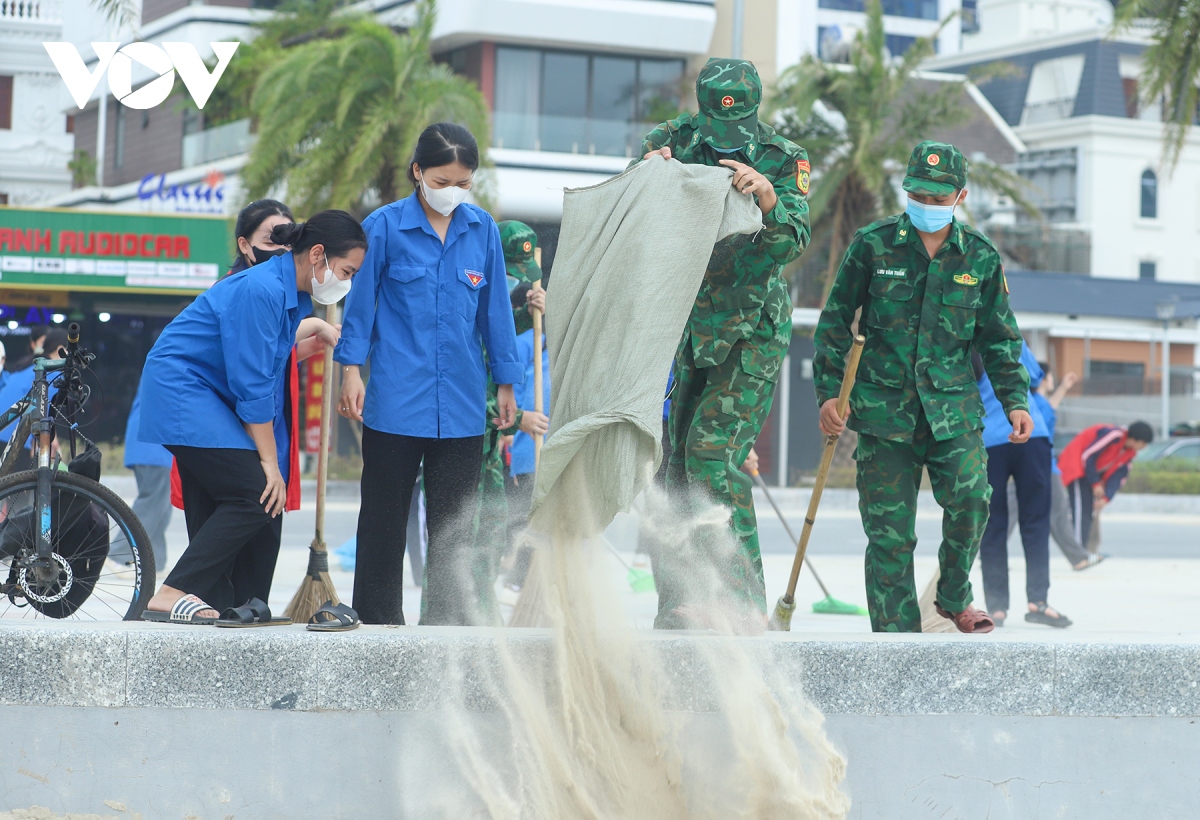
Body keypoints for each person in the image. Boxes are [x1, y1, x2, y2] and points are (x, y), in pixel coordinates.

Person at [813, 141, 1031, 634]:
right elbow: (832, 324)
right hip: (883, 415)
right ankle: (896, 645)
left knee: (974, 499)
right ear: (906, 190)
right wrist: (829, 393)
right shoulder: (873, 245)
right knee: (890, 538)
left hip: (953, 410)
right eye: (919, 195)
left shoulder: (979, 256)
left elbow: (999, 338)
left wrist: (1016, 401)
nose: (928, 206)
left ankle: (954, 595)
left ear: (960, 195)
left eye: (939, 198)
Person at [637, 57, 811, 629]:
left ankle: (739, 604)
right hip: (680, 325)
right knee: (669, 468)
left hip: (749, 330)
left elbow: (793, 243)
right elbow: (634, 215)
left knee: (713, 459)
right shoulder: (671, 140)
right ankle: (680, 603)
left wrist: (767, 198)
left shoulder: (785, 158)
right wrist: (648, 175)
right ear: (702, 108)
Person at [336, 122, 521, 626]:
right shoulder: (385, 226)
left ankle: (444, 629)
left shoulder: (482, 229)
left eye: (463, 183)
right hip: (396, 396)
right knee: (383, 521)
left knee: (454, 527)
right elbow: (362, 307)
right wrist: (351, 371)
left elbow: (496, 315)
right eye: (441, 182)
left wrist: (507, 383)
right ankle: (378, 623)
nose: (452, 193)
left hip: (462, 402)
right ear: (418, 172)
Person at [139, 211, 365, 623]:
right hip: (184, 389)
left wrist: (315, 330)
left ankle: (226, 604)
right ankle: (173, 591)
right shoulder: (260, 289)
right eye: (346, 270)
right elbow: (253, 386)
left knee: (239, 499)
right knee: (258, 493)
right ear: (318, 255)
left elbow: (271, 351)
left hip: (208, 395)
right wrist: (269, 462)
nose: (346, 282)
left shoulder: (288, 293)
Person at [976, 343, 1071, 628]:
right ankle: (1038, 602)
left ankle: (996, 608)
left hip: (990, 437)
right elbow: (1036, 377)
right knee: (1036, 522)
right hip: (1031, 434)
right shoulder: (1011, 335)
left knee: (992, 525)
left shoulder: (964, 334)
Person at [1005, 364, 1099, 569]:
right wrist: (1063, 388)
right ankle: (1078, 557)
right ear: (1043, 379)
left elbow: (1050, 408)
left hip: (1025, 464)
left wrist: (1064, 387)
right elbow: (1050, 410)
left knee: (1008, 511)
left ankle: (990, 552)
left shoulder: (1031, 403)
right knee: (1058, 512)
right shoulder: (1039, 404)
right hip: (1044, 466)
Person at [1059, 421, 1153, 551]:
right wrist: (1095, 483)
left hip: (1090, 475)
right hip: (1076, 468)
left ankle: (1086, 550)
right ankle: (1078, 553)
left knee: (1088, 512)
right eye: (1143, 443)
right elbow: (1088, 455)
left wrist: (1106, 497)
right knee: (1081, 511)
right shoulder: (1114, 436)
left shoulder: (1129, 453)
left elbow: (1118, 476)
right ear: (1135, 440)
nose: (1144, 447)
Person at [111, 386, 174, 574]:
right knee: (153, 503)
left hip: (152, 447)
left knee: (161, 506)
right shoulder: (170, 366)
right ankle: (118, 554)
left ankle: (155, 561)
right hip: (154, 448)